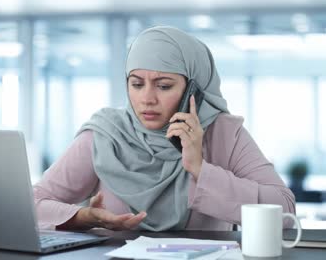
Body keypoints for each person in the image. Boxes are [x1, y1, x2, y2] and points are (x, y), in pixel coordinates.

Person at [33, 26, 295, 231]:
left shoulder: (224, 133)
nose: (147, 98)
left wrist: (200, 169)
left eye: (164, 86)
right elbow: (30, 205)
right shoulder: (106, 134)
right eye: (137, 84)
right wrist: (83, 217)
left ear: (194, 90)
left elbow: (284, 212)